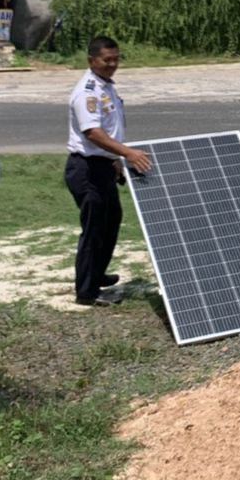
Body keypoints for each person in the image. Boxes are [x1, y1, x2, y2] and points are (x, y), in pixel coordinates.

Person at [66, 36, 152, 307]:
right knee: (94, 229)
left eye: (116, 59)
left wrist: (115, 160)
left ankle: (97, 273)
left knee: (111, 220)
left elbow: (107, 132)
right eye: (107, 60)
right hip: (86, 169)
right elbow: (92, 132)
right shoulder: (88, 91)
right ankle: (86, 292)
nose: (112, 64)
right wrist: (128, 153)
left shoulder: (105, 86)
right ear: (92, 60)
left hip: (102, 165)